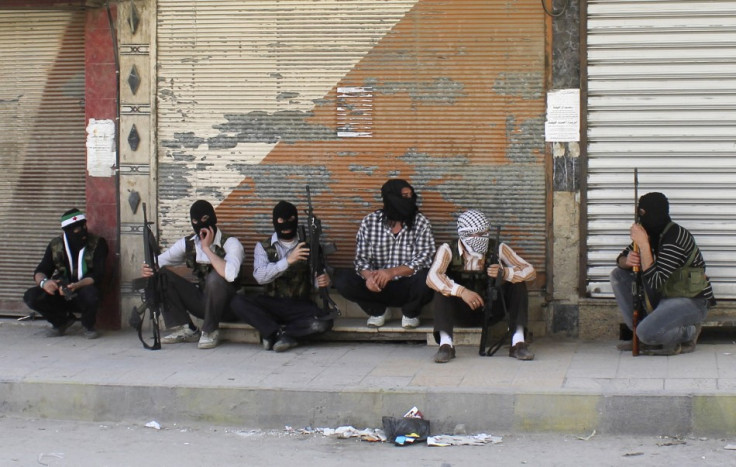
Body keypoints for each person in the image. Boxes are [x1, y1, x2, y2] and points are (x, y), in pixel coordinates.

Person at [611, 192, 715, 356]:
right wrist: (627, 260)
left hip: (690, 300)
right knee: (618, 275)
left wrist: (644, 245)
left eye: (644, 214)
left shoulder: (675, 238)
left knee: (646, 333)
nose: (641, 218)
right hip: (664, 298)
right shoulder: (650, 232)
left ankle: (688, 332)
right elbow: (620, 259)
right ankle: (641, 332)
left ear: (655, 213)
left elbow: (655, 282)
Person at [426, 210, 536, 363]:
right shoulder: (448, 249)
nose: (480, 239)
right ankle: (446, 345)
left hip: (490, 310)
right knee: (441, 290)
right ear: (463, 234)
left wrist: (505, 273)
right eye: (475, 235)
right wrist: (461, 291)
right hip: (460, 310)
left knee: (518, 284)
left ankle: (518, 342)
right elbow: (432, 277)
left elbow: (529, 270)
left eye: (484, 233)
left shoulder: (497, 247)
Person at [141, 200, 245, 349]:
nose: (200, 225)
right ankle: (187, 328)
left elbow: (230, 274)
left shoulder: (231, 243)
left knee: (215, 278)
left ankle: (210, 330)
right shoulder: (189, 243)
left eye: (204, 219)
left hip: (230, 306)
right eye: (195, 221)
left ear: (212, 219)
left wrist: (207, 249)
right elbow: (158, 261)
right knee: (162, 274)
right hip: (203, 303)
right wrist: (146, 267)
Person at [231, 201, 333, 352]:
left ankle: (277, 334)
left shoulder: (308, 245)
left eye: (290, 220)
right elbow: (260, 277)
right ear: (275, 221)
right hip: (272, 304)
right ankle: (278, 333)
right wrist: (288, 261)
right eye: (281, 221)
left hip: (299, 306)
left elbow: (316, 279)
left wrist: (324, 280)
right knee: (237, 301)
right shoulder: (263, 247)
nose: (286, 225)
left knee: (324, 322)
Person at [334, 179, 436, 329]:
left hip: (408, 286)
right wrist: (369, 277)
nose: (409, 200)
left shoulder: (421, 222)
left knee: (429, 276)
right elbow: (361, 259)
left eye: (411, 196)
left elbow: (424, 259)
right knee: (342, 279)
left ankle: (411, 313)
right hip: (377, 287)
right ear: (391, 198)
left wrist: (391, 272)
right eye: (404, 196)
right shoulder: (370, 222)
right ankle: (378, 311)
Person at [24, 208, 108, 338]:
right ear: (67, 231)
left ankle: (88, 325)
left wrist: (77, 285)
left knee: (92, 293)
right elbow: (41, 270)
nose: (81, 231)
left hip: (83, 290)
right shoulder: (56, 245)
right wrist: (45, 283)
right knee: (31, 296)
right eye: (76, 230)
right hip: (61, 291)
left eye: (83, 226)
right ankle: (61, 322)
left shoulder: (98, 243)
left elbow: (98, 274)